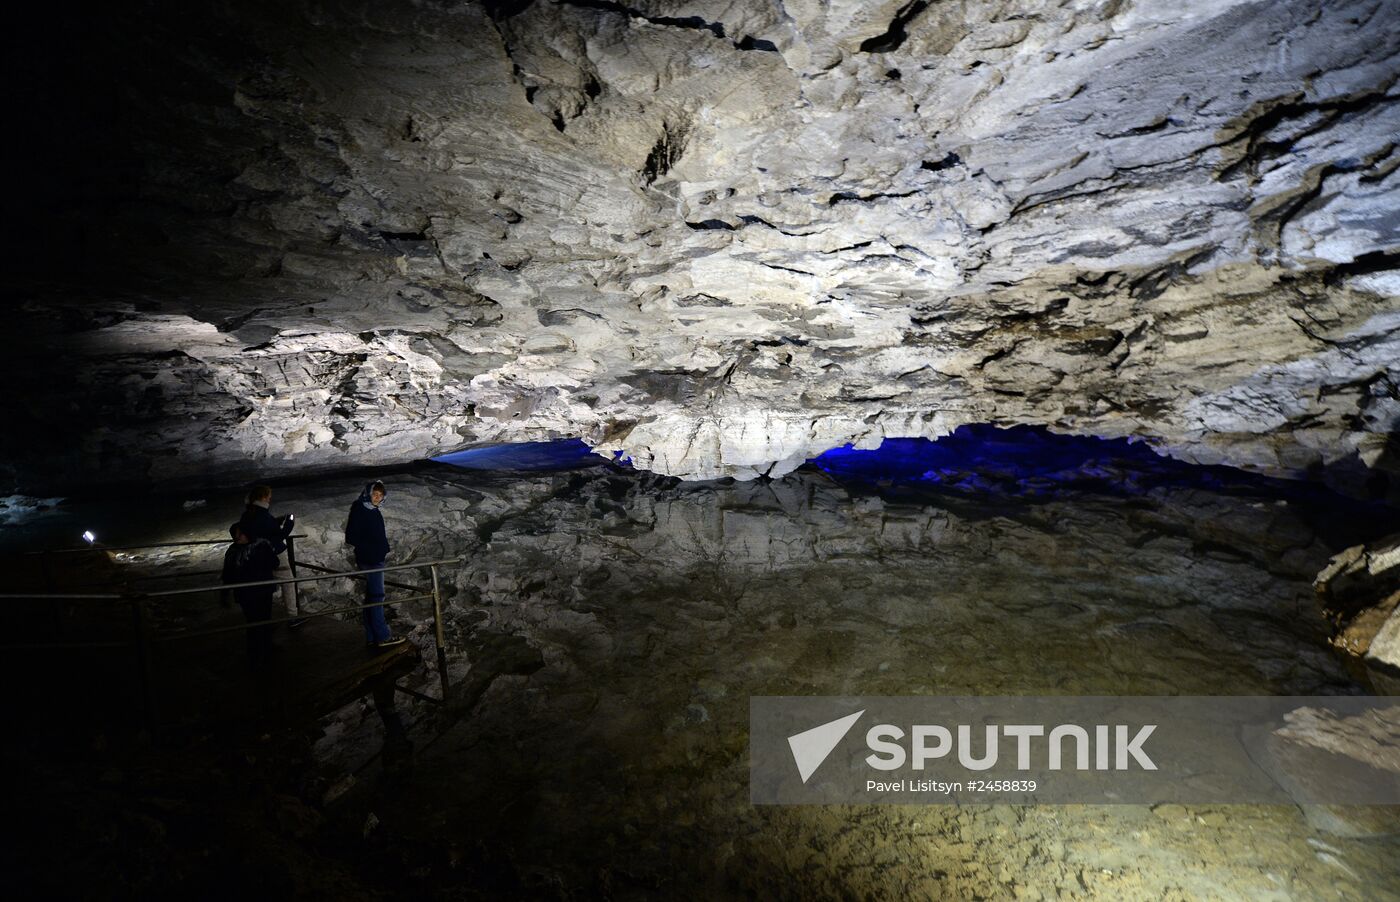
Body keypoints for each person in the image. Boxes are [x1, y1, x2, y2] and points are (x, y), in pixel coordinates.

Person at [345, 481, 407, 648]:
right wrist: (370, 548)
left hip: (374, 557)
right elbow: (352, 536)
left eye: (380, 495)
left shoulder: (371, 510)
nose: (378, 497)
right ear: (368, 493)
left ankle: (371, 636)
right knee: (378, 597)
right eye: (375, 494)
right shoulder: (361, 509)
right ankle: (383, 636)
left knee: (371, 597)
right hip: (371, 559)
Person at [239, 484, 301, 625]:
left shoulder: (249, 513)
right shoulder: (262, 515)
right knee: (288, 582)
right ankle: (293, 617)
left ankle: (263, 619)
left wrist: (275, 521)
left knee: (264, 585)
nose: (270, 499)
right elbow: (279, 536)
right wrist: (289, 523)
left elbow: (259, 530)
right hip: (275, 554)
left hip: (256, 555)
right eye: (268, 497)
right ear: (263, 497)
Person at [221, 521, 280, 663]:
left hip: (256, 592)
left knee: (259, 621)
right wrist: (224, 593)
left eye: (239, 535)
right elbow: (275, 563)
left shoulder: (234, 551)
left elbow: (228, 574)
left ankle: (260, 650)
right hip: (255, 592)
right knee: (257, 622)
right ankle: (259, 651)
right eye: (235, 536)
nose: (237, 538)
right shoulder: (260, 546)